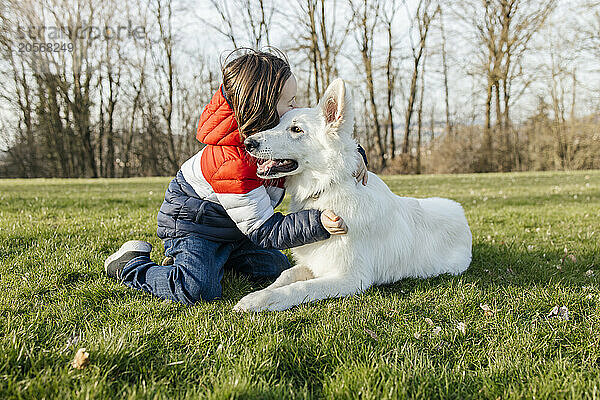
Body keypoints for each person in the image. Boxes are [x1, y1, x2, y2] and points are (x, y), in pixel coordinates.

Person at [104, 49, 368, 305]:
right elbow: (266, 231)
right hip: (196, 225)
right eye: (290, 102)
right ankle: (130, 264)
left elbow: (321, 145)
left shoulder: (270, 140)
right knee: (197, 289)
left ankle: (219, 257)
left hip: (238, 226)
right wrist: (317, 222)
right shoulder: (231, 162)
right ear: (262, 106)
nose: (296, 107)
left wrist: (356, 156)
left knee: (276, 268)